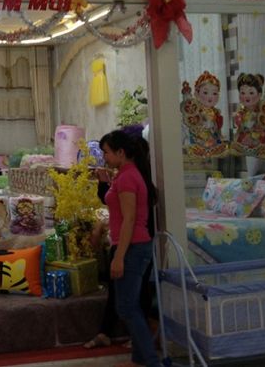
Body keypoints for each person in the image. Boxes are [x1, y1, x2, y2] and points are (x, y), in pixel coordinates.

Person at [92, 129, 161, 367]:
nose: (104, 157)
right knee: (128, 306)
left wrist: (119, 256)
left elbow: (130, 219)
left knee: (127, 307)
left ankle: (151, 361)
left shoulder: (128, 177)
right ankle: (140, 359)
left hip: (133, 247)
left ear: (121, 152)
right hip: (130, 246)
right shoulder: (124, 175)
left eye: (107, 152)